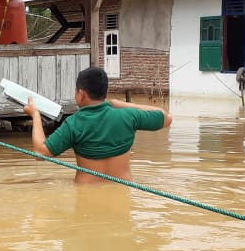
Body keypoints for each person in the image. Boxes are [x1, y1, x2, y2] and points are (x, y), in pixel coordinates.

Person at [24, 66, 172, 184]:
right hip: (122, 193)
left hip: (86, 195)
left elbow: (40, 153)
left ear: (81, 94)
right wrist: (121, 104)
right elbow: (166, 118)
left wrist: (35, 115)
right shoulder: (129, 116)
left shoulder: (74, 123)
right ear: (106, 91)